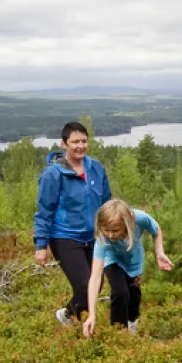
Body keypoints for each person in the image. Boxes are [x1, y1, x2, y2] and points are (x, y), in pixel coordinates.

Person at [33, 122, 112, 326]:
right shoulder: (53, 174)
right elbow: (44, 211)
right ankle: (71, 318)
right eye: (75, 142)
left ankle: (68, 316)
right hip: (64, 236)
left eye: (84, 141)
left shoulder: (96, 168)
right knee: (85, 286)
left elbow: (106, 202)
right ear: (64, 143)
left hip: (93, 236)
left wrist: (113, 230)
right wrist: (41, 246)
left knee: (96, 285)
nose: (80, 146)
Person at [79, 199, 174, 337]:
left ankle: (131, 323)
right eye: (107, 230)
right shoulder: (102, 239)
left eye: (115, 231)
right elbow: (95, 277)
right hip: (113, 260)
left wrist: (159, 252)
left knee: (134, 297)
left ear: (127, 224)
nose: (110, 235)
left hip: (134, 262)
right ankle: (118, 334)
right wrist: (92, 315)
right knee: (120, 293)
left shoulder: (139, 218)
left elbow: (156, 229)